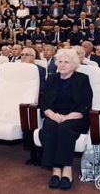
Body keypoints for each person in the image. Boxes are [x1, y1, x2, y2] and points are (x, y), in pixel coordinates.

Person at [39, 48, 92, 190]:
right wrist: (51, 114)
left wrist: (68, 117)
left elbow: (86, 105)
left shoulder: (82, 79)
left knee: (64, 128)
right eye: (60, 62)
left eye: (66, 62)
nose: (62, 65)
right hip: (55, 115)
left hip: (76, 117)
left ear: (74, 65)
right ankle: (56, 171)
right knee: (48, 128)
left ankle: (67, 169)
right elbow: (44, 104)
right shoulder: (51, 79)